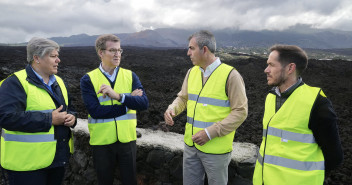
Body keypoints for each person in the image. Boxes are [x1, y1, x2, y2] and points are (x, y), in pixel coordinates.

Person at [164, 30, 248, 185]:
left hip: (216, 150)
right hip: (191, 146)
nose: (188, 53)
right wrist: (172, 109)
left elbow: (240, 112)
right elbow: (183, 98)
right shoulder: (191, 72)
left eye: (191, 48)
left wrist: (210, 133)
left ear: (204, 49)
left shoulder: (231, 75)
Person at [253, 45, 343, 185]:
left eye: (271, 65)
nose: (266, 70)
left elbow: (334, 157)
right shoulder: (270, 97)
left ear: (290, 68)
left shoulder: (317, 103)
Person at [0, 37, 76, 185]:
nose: (58, 60)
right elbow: (6, 117)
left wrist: (72, 117)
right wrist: (49, 119)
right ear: (37, 58)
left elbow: (70, 108)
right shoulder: (15, 82)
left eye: (57, 56)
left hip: (57, 160)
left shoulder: (59, 82)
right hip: (26, 165)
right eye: (53, 56)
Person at [80, 34, 148, 185]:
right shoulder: (88, 79)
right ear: (101, 53)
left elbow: (143, 103)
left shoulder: (130, 76)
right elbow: (95, 111)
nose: (117, 54)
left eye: (119, 50)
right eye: (112, 50)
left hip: (127, 140)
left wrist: (118, 96)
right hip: (102, 142)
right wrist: (129, 102)